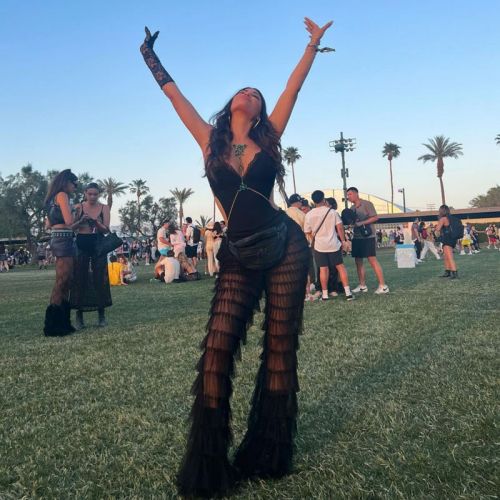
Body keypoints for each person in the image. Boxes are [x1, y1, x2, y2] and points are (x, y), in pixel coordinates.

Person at [140, 16, 332, 497]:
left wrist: (312, 45)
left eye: (257, 94)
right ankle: (208, 465)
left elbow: (293, 87)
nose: (251, 94)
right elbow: (175, 98)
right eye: (244, 91)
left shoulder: (270, 136)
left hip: (286, 246)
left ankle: (268, 453)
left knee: (280, 350)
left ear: (261, 110)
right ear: (231, 104)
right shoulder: (209, 139)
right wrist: (150, 57)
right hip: (239, 253)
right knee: (216, 352)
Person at [43, 169, 81, 336]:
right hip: (64, 239)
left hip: (58, 238)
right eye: (74, 184)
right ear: (66, 182)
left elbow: (47, 225)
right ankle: (54, 325)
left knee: (64, 281)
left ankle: (61, 322)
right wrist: (75, 211)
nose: (75, 187)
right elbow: (69, 222)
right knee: (63, 281)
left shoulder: (51, 198)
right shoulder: (62, 195)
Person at [70, 183, 112, 329]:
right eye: (90, 194)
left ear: (99, 194)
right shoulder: (78, 207)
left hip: (98, 243)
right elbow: (70, 227)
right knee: (79, 278)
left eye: (95, 194)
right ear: (85, 193)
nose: (93, 197)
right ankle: (79, 316)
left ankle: (101, 315)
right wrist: (81, 221)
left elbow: (106, 230)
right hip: (81, 242)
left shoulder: (104, 208)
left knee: (100, 278)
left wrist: (96, 223)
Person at [304, 190, 353, 301]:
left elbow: (307, 231)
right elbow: (340, 228)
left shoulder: (309, 214)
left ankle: (325, 295)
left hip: (319, 246)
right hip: (334, 244)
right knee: (340, 267)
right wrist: (343, 241)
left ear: (313, 201)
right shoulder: (332, 212)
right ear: (323, 199)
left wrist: (315, 237)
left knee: (323, 269)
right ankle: (348, 293)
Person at [346, 187, 389, 294]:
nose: (348, 197)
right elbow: (353, 222)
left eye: (350, 194)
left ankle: (383, 286)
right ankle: (362, 286)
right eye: (347, 195)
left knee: (372, 260)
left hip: (368, 236)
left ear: (356, 194)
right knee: (358, 261)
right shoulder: (351, 208)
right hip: (357, 237)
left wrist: (361, 223)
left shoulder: (367, 204)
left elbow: (375, 218)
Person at [435, 205, 459, 278]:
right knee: (446, 256)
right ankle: (447, 271)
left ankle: (454, 273)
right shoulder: (451, 218)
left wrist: (437, 234)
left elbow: (437, 230)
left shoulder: (443, 219)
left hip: (447, 239)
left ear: (441, 211)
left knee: (449, 256)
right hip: (452, 239)